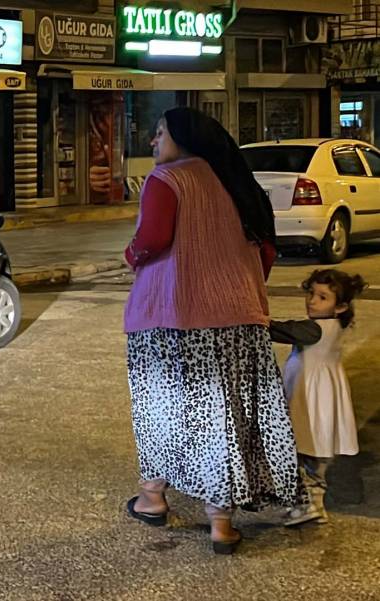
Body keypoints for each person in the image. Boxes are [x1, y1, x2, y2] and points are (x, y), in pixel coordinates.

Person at [122, 107, 303, 555]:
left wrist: (131, 255)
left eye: (159, 132)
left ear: (181, 137)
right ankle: (221, 523)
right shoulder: (234, 181)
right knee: (223, 419)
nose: (153, 142)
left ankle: (152, 496)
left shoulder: (167, 181)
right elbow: (265, 251)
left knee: (162, 410)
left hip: (173, 319)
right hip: (239, 320)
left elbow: (153, 238)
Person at [270, 269, 368, 526]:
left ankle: (311, 504)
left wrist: (257, 321)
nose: (312, 300)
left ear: (340, 306)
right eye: (311, 294)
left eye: (322, 297)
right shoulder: (333, 325)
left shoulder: (316, 329)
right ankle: (311, 504)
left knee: (308, 450)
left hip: (312, 399)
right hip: (318, 395)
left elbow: (285, 331)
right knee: (312, 452)